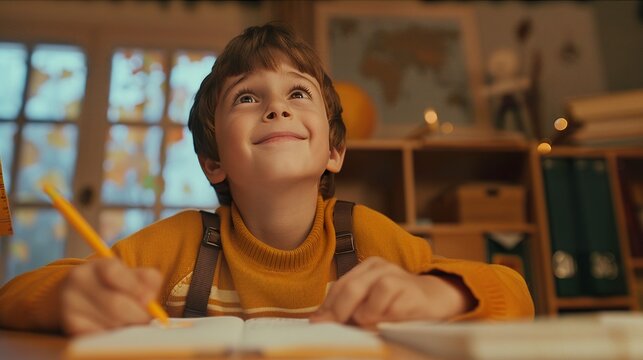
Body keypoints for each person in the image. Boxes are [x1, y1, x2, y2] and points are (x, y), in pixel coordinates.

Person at [0, 23, 534, 336]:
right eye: (247, 98)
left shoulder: (366, 237)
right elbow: (14, 295)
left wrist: (440, 296)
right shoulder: (183, 245)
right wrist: (72, 294)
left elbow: (515, 292)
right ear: (214, 163)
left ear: (334, 150)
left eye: (297, 94)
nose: (277, 108)